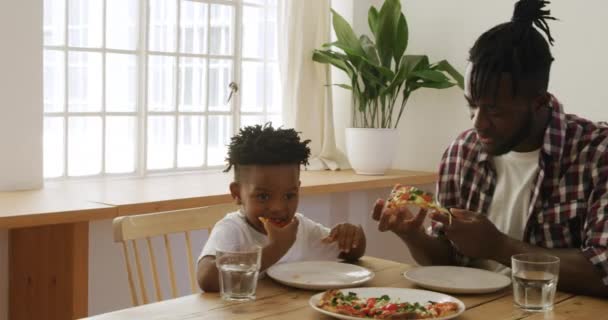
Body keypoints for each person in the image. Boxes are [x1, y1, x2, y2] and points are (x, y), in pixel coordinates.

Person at [372, 0, 608, 297]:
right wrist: (413, 236)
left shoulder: (597, 155)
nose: (478, 123)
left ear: (539, 102)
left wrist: (499, 246)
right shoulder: (461, 153)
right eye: (471, 105)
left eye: (495, 112)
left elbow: (603, 272)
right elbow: (448, 262)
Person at [197, 123, 366, 292]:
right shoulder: (233, 230)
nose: (278, 208)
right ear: (237, 194)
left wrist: (353, 236)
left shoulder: (302, 229)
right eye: (263, 196)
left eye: (289, 196)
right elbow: (206, 278)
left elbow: (350, 253)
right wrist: (276, 248)